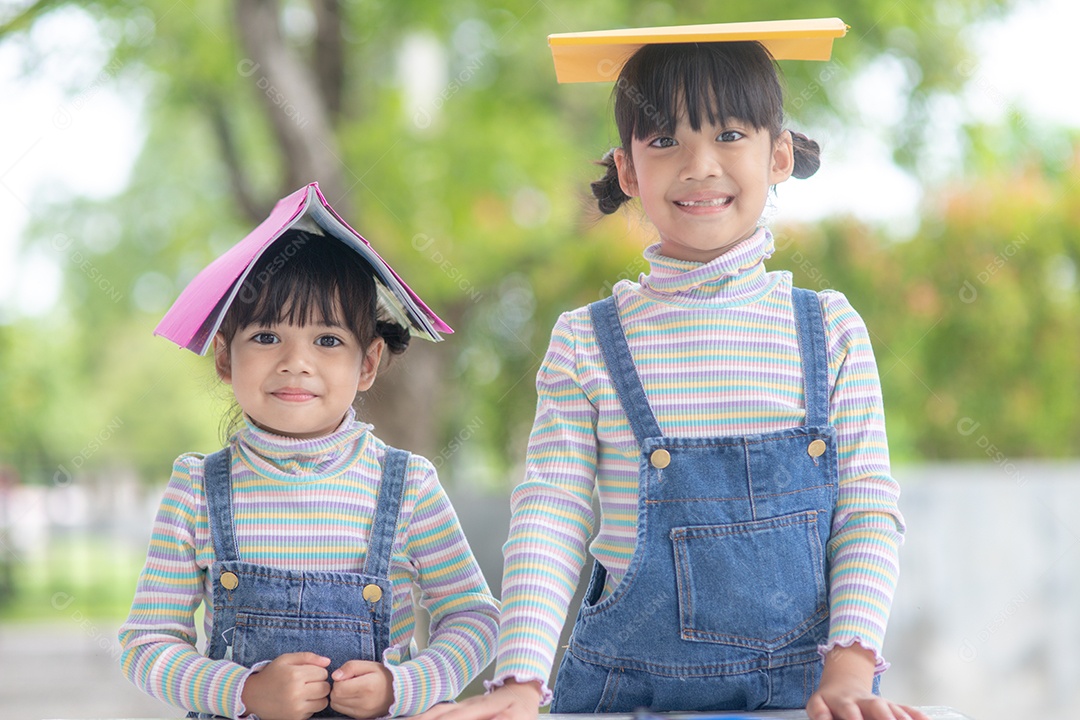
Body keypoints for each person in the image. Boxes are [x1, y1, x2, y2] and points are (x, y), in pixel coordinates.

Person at [418, 35, 927, 720]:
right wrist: (518, 682)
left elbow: (866, 509)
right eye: (664, 141)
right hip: (623, 695)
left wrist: (850, 670)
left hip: (802, 695)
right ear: (628, 171)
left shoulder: (830, 331)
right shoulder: (585, 341)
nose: (698, 165)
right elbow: (551, 514)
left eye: (728, 133)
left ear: (777, 156)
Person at [119, 229, 499, 720]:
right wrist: (243, 690)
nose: (295, 363)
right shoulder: (197, 490)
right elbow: (146, 643)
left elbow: (475, 618)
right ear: (224, 358)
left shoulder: (408, 486)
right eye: (266, 336)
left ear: (367, 363)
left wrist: (401, 685)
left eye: (327, 339)